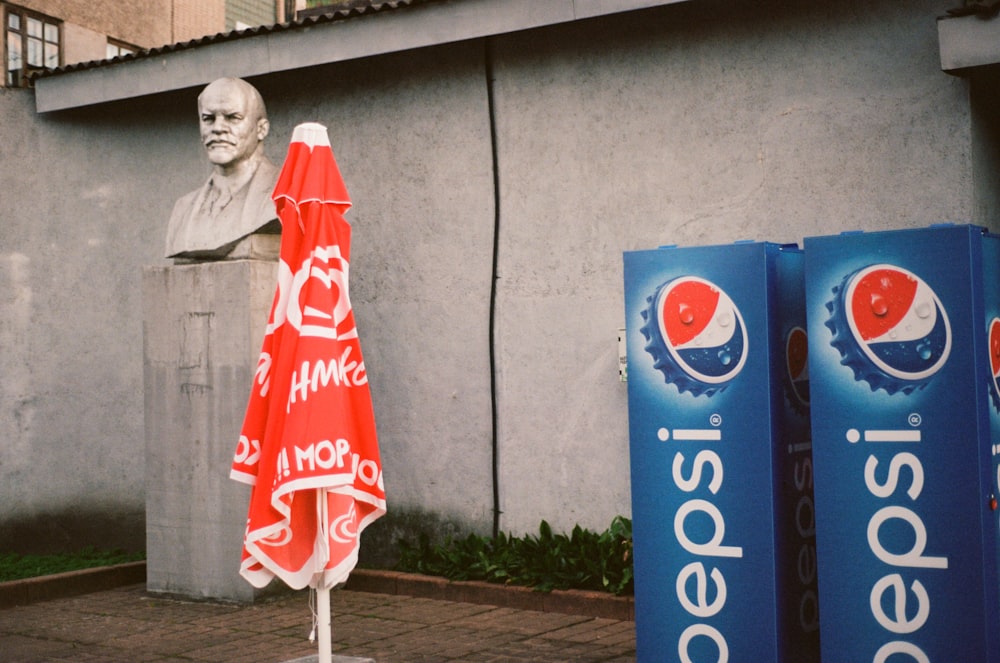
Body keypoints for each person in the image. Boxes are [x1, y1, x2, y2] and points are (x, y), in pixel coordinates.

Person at [164, 77, 280, 260]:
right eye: (208, 119)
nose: (218, 128)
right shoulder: (183, 208)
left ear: (261, 129)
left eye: (233, 117)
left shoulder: (287, 195)